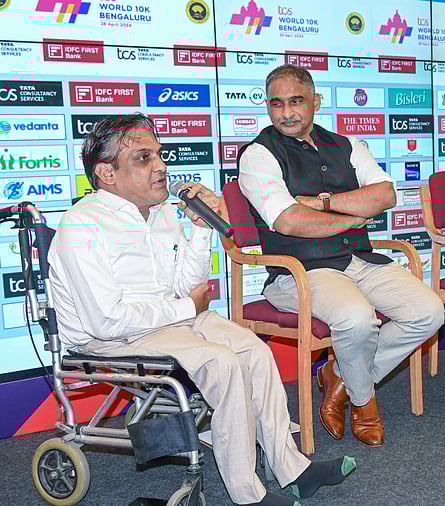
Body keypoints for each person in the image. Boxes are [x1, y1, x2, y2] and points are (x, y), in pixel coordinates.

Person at [47, 114, 354, 506]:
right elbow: (106, 320)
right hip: (109, 339)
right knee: (222, 362)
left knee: (255, 352)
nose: (161, 166)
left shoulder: (159, 214)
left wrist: (199, 228)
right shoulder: (81, 225)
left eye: (160, 154)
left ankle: (292, 469)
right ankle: (247, 495)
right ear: (107, 172)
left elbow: (184, 287)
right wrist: (184, 308)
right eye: (144, 159)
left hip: (170, 322)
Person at [238, 65, 444, 447]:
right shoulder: (258, 155)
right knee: (356, 318)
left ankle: (340, 378)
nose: (286, 113)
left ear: (315, 102)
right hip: (297, 270)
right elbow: (288, 221)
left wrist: (324, 204)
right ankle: (364, 403)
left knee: (429, 312)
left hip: (361, 261)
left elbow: (385, 195)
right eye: (276, 103)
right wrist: (354, 217)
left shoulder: (348, 145)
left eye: (296, 101)